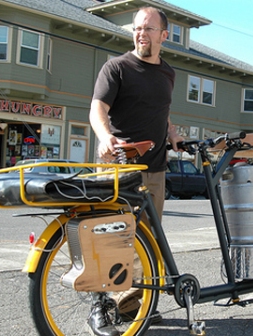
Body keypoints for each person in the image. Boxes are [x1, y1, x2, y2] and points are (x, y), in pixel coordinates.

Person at [88, 6, 183, 336]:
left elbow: (161, 112)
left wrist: (171, 133)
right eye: (137, 28)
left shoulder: (168, 74)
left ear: (163, 36)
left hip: (155, 170)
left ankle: (134, 305)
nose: (141, 33)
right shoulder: (117, 67)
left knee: (147, 243)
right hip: (120, 165)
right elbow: (98, 108)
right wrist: (104, 137)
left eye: (148, 28)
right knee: (112, 239)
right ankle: (99, 309)